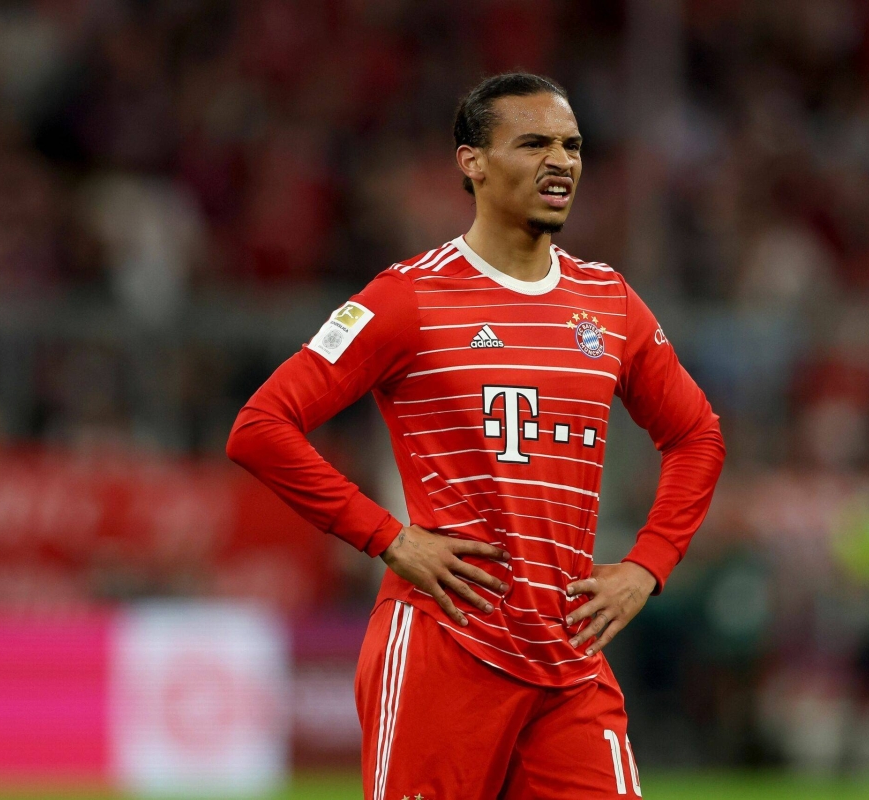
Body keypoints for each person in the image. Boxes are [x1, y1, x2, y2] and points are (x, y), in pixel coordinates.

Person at [227, 72, 725, 799]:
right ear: (473, 163)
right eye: (534, 143)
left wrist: (647, 565)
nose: (561, 161)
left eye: (572, 145)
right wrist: (388, 538)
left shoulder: (608, 302)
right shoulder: (408, 297)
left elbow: (697, 435)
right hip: (446, 647)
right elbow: (261, 427)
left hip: (568, 656)